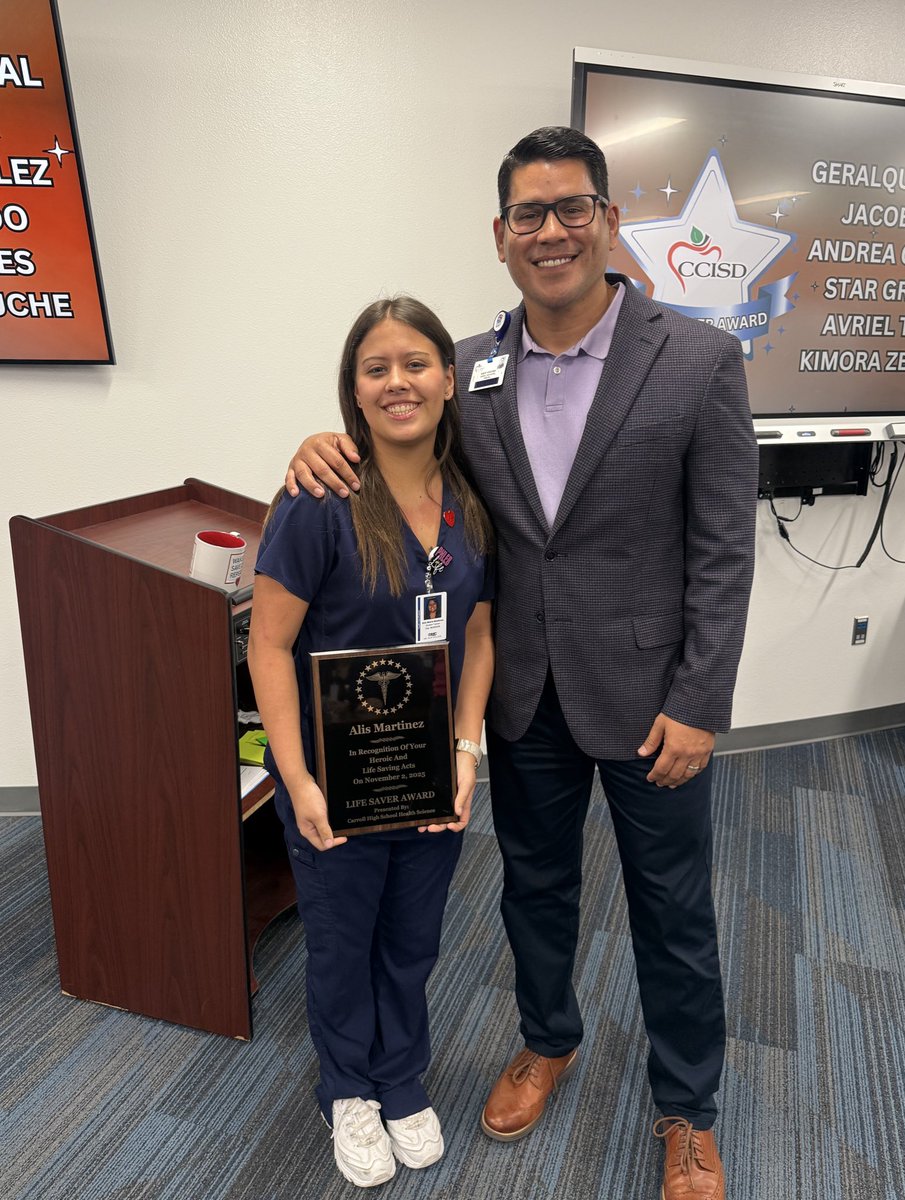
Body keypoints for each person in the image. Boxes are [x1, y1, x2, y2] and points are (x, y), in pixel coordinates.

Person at [283, 127, 758, 1200]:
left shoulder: (694, 360)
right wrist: (315, 448)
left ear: (605, 219)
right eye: (527, 215)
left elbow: (725, 548)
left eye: (571, 207)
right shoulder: (463, 369)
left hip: (652, 703)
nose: (550, 231)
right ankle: (549, 1039)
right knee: (534, 892)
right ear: (500, 236)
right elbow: (393, 444)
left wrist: (701, 700)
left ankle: (687, 1108)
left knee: (670, 909)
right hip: (519, 694)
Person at [248, 296, 494, 1189]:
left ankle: (400, 1078)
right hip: (334, 786)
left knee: (413, 940)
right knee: (342, 942)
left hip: (428, 780)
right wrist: (296, 779)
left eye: (416, 362)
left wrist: (466, 756)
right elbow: (268, 645)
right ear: (353, 390)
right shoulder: (318, 500)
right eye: (376, 367)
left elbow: (477, 637)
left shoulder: (468, 498)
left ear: (448, 377)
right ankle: (347, 1087)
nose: (399, 382)